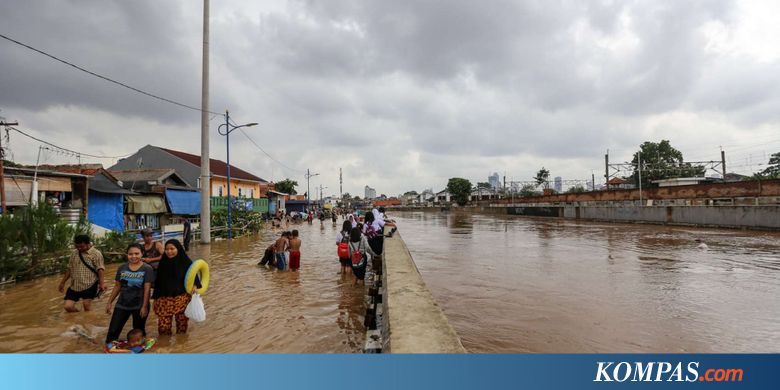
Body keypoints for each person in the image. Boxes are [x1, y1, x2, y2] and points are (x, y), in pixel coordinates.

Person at [105, 243, 154, 344]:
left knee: (139, 332)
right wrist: (109, 302)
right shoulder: (122, 268)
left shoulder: (147, 268)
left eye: (137, 253)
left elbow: (147, 289)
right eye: (130, 254)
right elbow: (117, 286)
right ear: (127, 254)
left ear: (142, 254)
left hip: (139, 305)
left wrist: (144, 306)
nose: (133, 256)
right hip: (122, 304)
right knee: (113, 332)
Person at [152, 239, 198, 335]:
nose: (169, 251)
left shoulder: (186, 262)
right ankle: (165, 346)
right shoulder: (163, 263)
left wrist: (195, 286)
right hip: (164, 300)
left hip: (181, 298)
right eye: (167, 249)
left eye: (172, 249)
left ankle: (181, 346)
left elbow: (194, 277)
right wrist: (155, 299)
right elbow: (158, 282)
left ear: (178, 249)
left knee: (182, 327)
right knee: (163, 328)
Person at [59, 235, 106, 312]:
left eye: (81, 246)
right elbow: (70, 269)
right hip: (75, 286)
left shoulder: (96, 254)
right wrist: (62, 282)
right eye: (77, 247)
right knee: (68, 307)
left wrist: (102, 284)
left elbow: (100, 269)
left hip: (89, 285)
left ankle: (88, 323)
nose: (79, 249)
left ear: (88, 244)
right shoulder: (74, 253)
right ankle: (78, 319)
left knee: (87, 307)